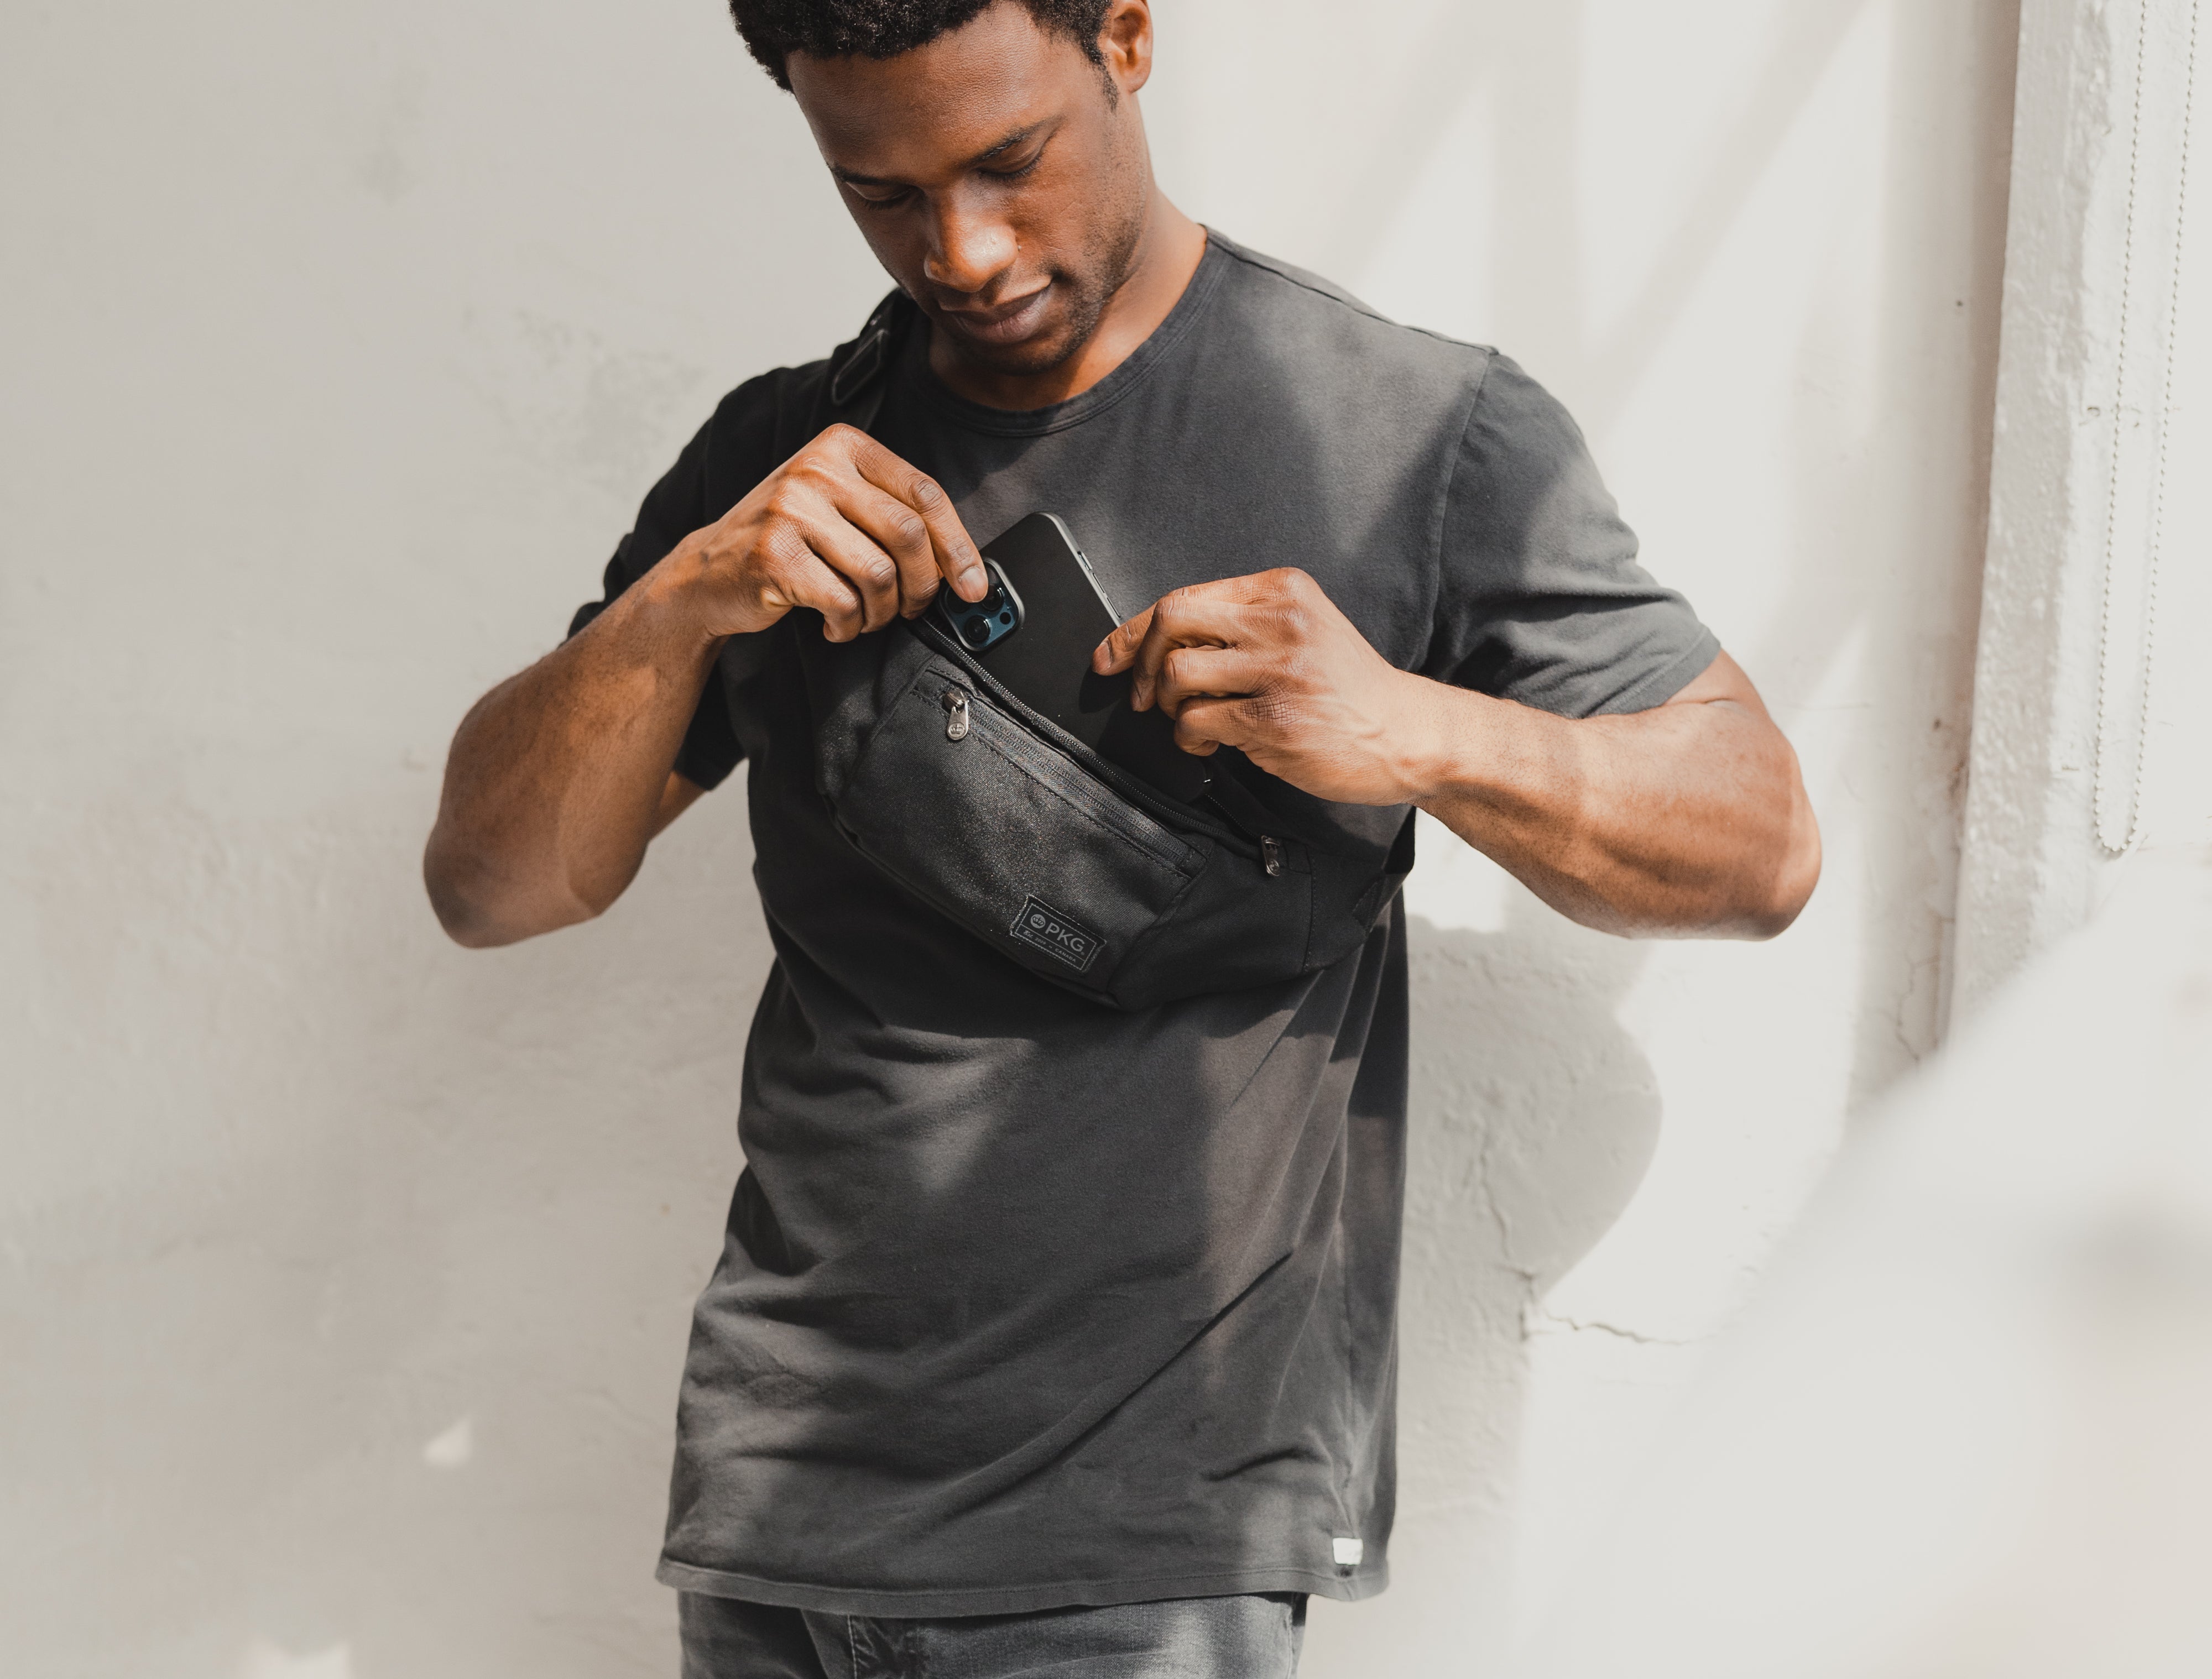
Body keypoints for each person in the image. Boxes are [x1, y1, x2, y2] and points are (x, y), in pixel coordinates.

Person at [422, 2, 1822, 1673]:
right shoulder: (781, 463)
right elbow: (490, 886)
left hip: (1145, 1555)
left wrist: (1411, 729)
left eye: (1010, 160)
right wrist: (676, 607)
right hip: (777, 1523)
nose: (963, 251)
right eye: (881, 192)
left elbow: (1761, 845)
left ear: (1129, 38)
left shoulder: (1415, 434)